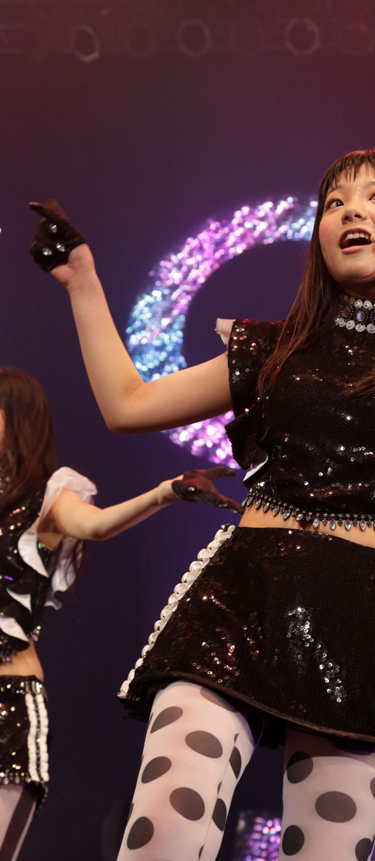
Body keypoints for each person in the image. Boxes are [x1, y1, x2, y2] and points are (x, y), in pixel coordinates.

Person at [28, 150, 375, 861]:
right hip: (238, 600)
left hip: (364, 622)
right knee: (166, 832)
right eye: (334, 202)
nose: (352, 209)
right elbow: (128, 404)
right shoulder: (271, 351)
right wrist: (83, 282)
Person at [0, 367, 240, 861]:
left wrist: (167, 491)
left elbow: (98, 525)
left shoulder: (48, 499)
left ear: (15, 419)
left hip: (6, 704)